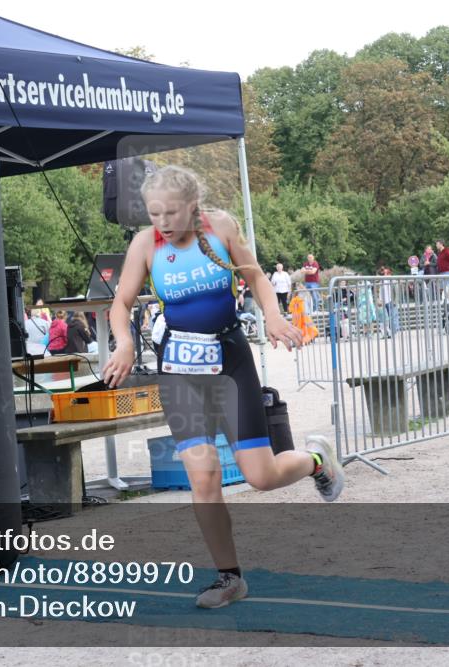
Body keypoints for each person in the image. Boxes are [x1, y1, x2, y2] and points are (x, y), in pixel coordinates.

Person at [100, 165, 344, 610]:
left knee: (261, 476)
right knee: (204, 476)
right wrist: (125, 342)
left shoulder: (221, 227)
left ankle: (315, 461)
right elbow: (121, 303)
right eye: (154, 213)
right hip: (180, 370)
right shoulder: (145, 245)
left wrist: (273, 316)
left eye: (171, 212)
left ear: (192, 206)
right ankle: (229, 577)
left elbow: (257, 278)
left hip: (230, 361)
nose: (163, 222)